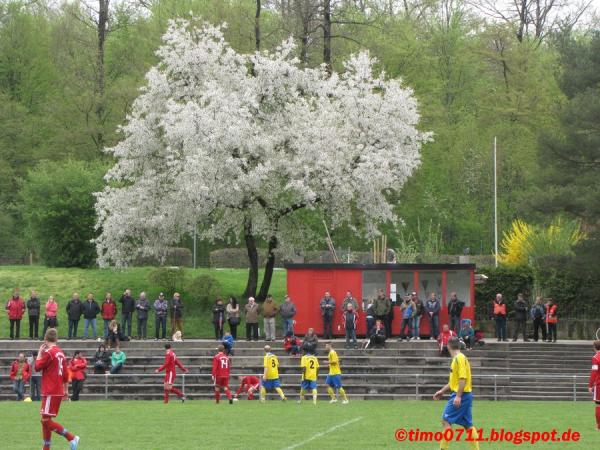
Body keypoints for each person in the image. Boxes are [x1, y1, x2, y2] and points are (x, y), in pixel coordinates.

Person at [35, 328, 80, 450]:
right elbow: (66, 375)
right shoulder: (61, 353)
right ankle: (46, 447)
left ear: (45, 339)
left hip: (50, 390)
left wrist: (39, 352)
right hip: (57, 391)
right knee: (45, 419)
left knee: (45, 420)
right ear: (57, 339)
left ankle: (72, 437)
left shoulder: (49, 353)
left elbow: (37, 367)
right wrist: (66, 391)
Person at [433, 336, 479, 450]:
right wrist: (442, 391)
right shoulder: (457, 359)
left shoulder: (459, 358)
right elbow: (454, 381)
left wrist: (458, 396)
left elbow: (462, 379)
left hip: (461, 395)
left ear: (448, 346)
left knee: (445, 420)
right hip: (465, 395)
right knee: (468, 425)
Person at [587, 340, 600, 430]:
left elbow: (594, 372)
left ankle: (599, 426)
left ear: (594, 347)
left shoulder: (596, 358)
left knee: (598, 404)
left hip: (599, 384)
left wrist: (590, 385)